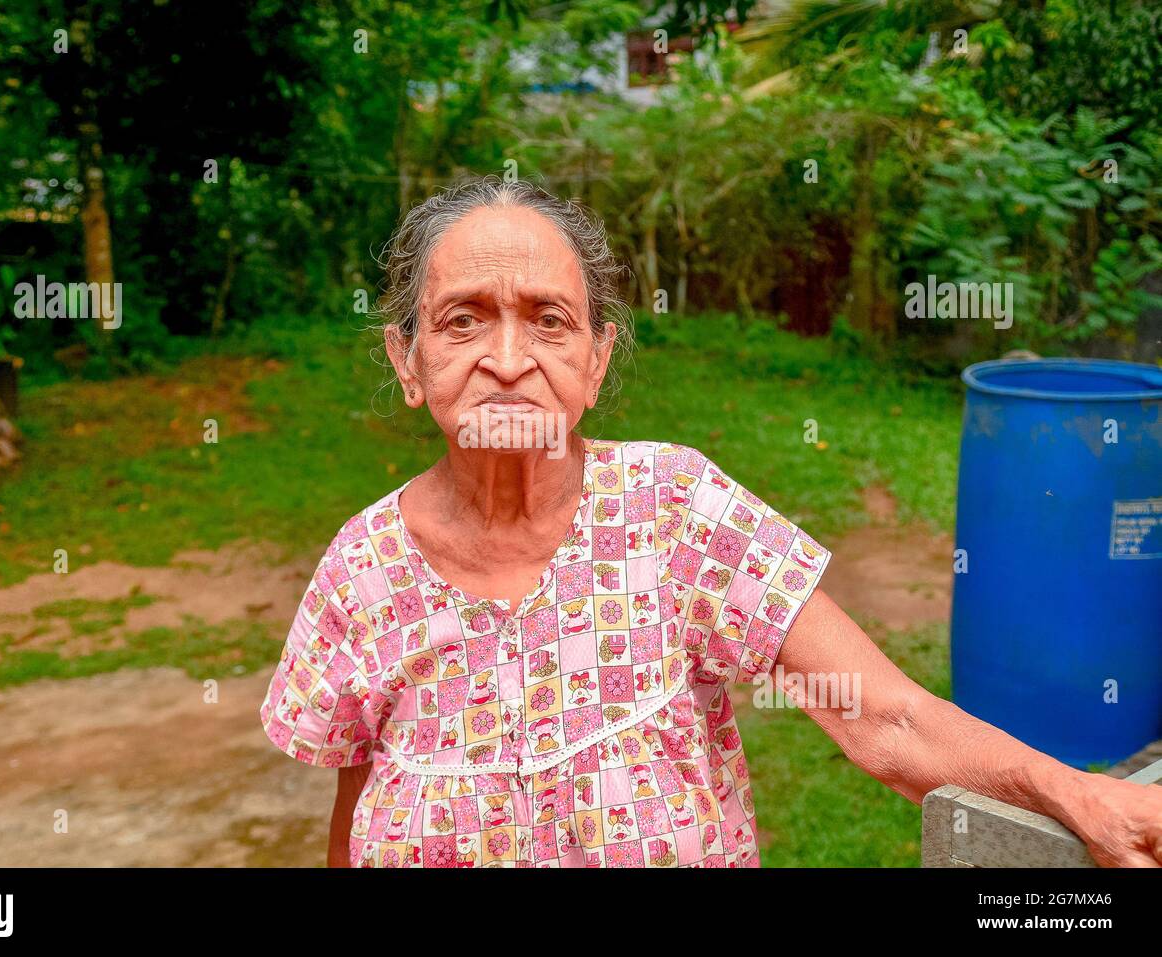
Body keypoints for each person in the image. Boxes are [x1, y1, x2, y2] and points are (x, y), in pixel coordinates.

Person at [259, 177, 1162, 868]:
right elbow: (358, 814)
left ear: (596, 360)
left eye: (548, 320)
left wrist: (1074, 790)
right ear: (407, 359)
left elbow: (887, 718)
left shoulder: (674, 509)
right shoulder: (363, 568)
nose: (506, 359)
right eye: (464, 320)